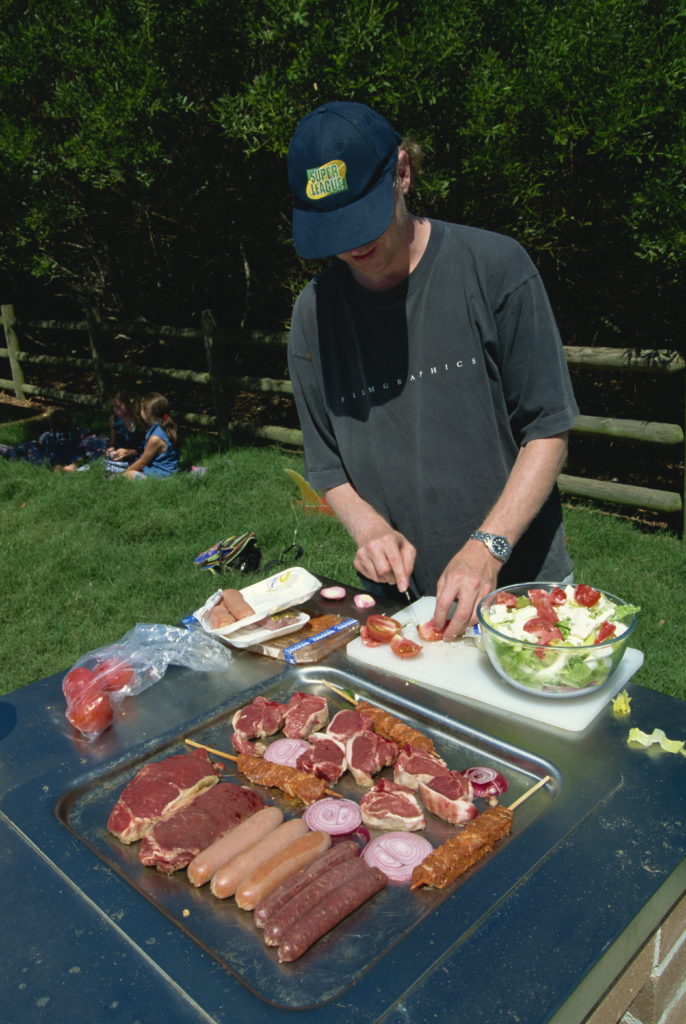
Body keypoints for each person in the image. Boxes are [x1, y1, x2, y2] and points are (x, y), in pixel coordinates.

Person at [286, 100, 579, 640]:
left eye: (361, 218)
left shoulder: (495, 268)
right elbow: (326, 464)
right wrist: (368, 527)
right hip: (398, 606)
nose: (353, 244)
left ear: (402, 172)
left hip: (524, 595)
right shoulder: (313, 314)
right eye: (335, 230)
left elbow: (549, 428)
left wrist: (487, 547)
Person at [122, 392, 180, 479]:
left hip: (161, 475)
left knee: (129, 474)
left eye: (142, 409)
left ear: (148, 413)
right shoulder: (167, 426)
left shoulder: (156, 438)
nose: (140, 412)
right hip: (167, 470)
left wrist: (122, 475)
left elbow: (142, 462)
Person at [105, 391, 143, 469]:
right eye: (113, 406)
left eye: (118, 406)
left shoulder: (140, 420)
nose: (115, 409)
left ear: (128, 404)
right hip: (121, 458)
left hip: (140, 457)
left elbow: (146, 449)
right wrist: (111, 449)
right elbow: (113, 442)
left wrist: (130, 452)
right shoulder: (114, 420)